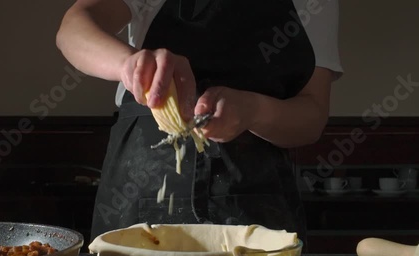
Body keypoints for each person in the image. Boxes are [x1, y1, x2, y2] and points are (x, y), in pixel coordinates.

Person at [56, 0, 343, 243]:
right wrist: (129, 64)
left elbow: (312, 114)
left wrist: (253, 110)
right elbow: (74, 27)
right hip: (142, 178)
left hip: (258, 191)